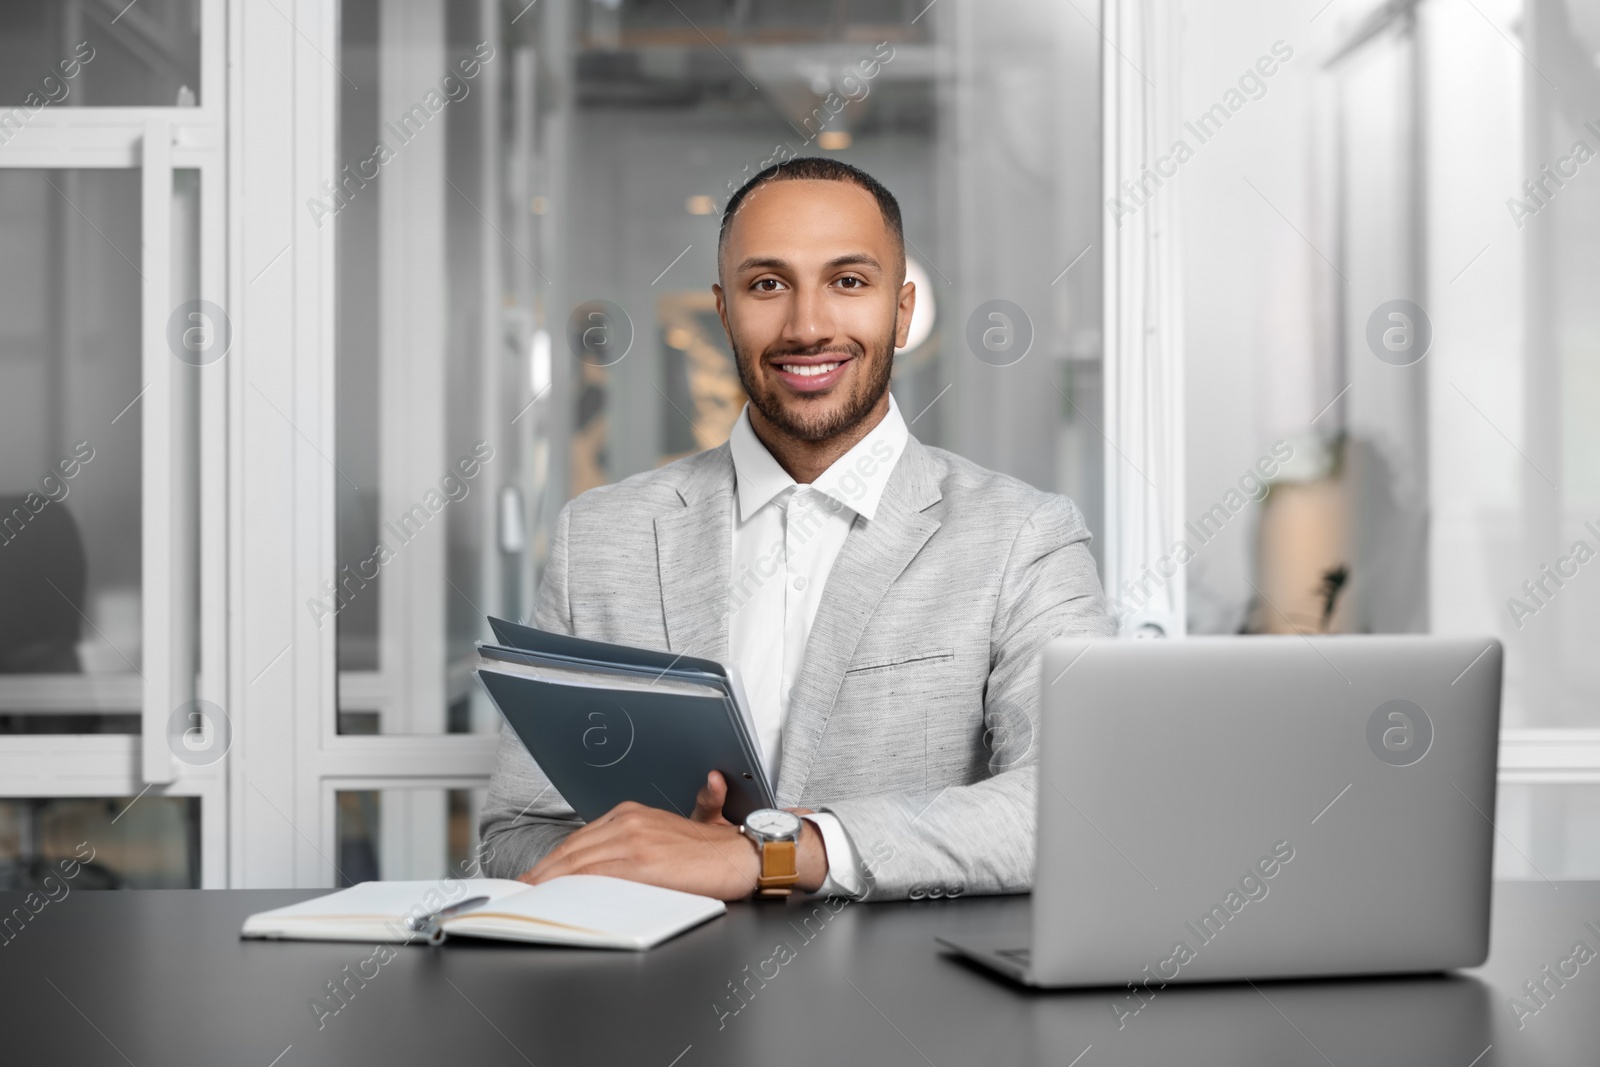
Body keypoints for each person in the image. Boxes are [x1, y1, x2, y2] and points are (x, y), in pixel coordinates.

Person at [479, 157, 1114, 901]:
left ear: (902, 311)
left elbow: (1078, 803)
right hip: (663, 1005)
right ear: (723, 310)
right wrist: (652, 851)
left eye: (848, 282)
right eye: (767, 284)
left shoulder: (1022, 537)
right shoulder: (601, 536)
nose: (807, 326)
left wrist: (776, 854)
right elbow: (515, 832)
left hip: (919, 1004)